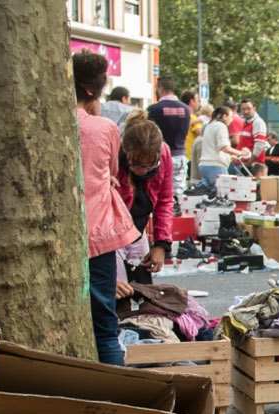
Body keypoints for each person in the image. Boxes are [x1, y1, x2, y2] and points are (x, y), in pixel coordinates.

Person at [75, 51, 141, 366]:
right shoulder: (103, 127)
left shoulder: (47, 122)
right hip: (97, 233)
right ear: (97, 90)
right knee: (104, 326)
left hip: (57, 237)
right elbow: (112, 172)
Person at [113, 112, 175, 285]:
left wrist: (161, 244)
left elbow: (165, 201)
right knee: (118, 292)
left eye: (150, 165)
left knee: (141, 290)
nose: (143, 170)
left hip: (138, 231)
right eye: (138, 164)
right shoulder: (113, 157)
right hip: (112, 234)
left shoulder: (164, 154)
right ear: (126, 150)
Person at [147, 77, 191, 196]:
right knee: (177, 197)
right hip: (180, 156)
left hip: (159, 157)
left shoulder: (153, 109)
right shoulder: (186, 109)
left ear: (160, 89)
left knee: (158, 195)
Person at [192, 106, 243, 187]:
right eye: (230, 117)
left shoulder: (209, 126)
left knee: (208, 195)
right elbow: (224, 147)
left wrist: (229, 157)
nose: (231, 120)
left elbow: (213, 148)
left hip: (204, 165)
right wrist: (241, 153)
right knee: (223, 194)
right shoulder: (221, 126)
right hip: (215, 166)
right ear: (224, 116)